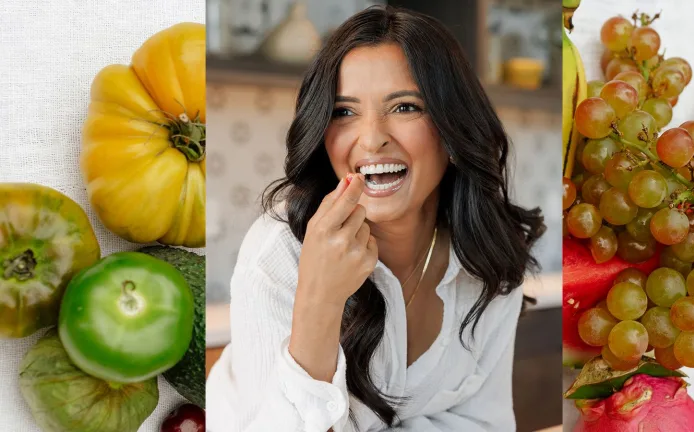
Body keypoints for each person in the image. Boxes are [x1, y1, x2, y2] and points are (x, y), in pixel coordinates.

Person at [206, 5, 545, 432]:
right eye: (344, 112)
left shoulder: (487, 253)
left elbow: (486, 423)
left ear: (453, 127)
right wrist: (321, 300)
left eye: (405, 107)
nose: (370, 138)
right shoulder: (279, 252)